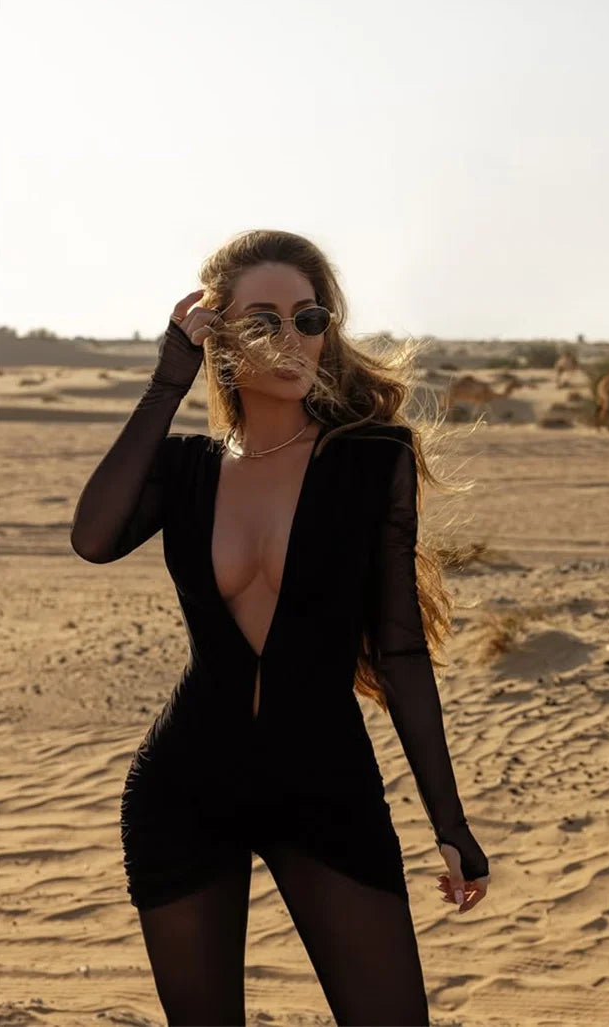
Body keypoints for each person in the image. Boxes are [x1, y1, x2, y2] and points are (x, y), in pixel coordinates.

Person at [70, 228, 490, 1026]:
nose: (294, 340)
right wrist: (167, 382)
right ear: (219, 336)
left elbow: (400, 648)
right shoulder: (186, 469)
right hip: (184, 789)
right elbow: (93, 539)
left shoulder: (373, 459)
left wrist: (450, 821)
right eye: (264, 321)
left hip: (326, 787)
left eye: (310, 317)